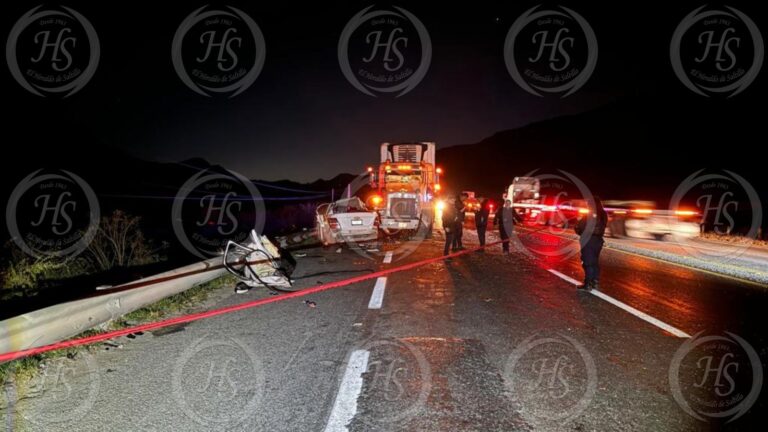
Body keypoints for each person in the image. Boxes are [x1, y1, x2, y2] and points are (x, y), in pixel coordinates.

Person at [575, 196, 608, 290]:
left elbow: (579, 227)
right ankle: (595, 281)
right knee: (594, 261)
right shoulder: (603, 214)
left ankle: (588, 284)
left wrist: (578, 222)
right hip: (598, 241)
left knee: (587, 262)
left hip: (588, 240)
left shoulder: (588, 215)